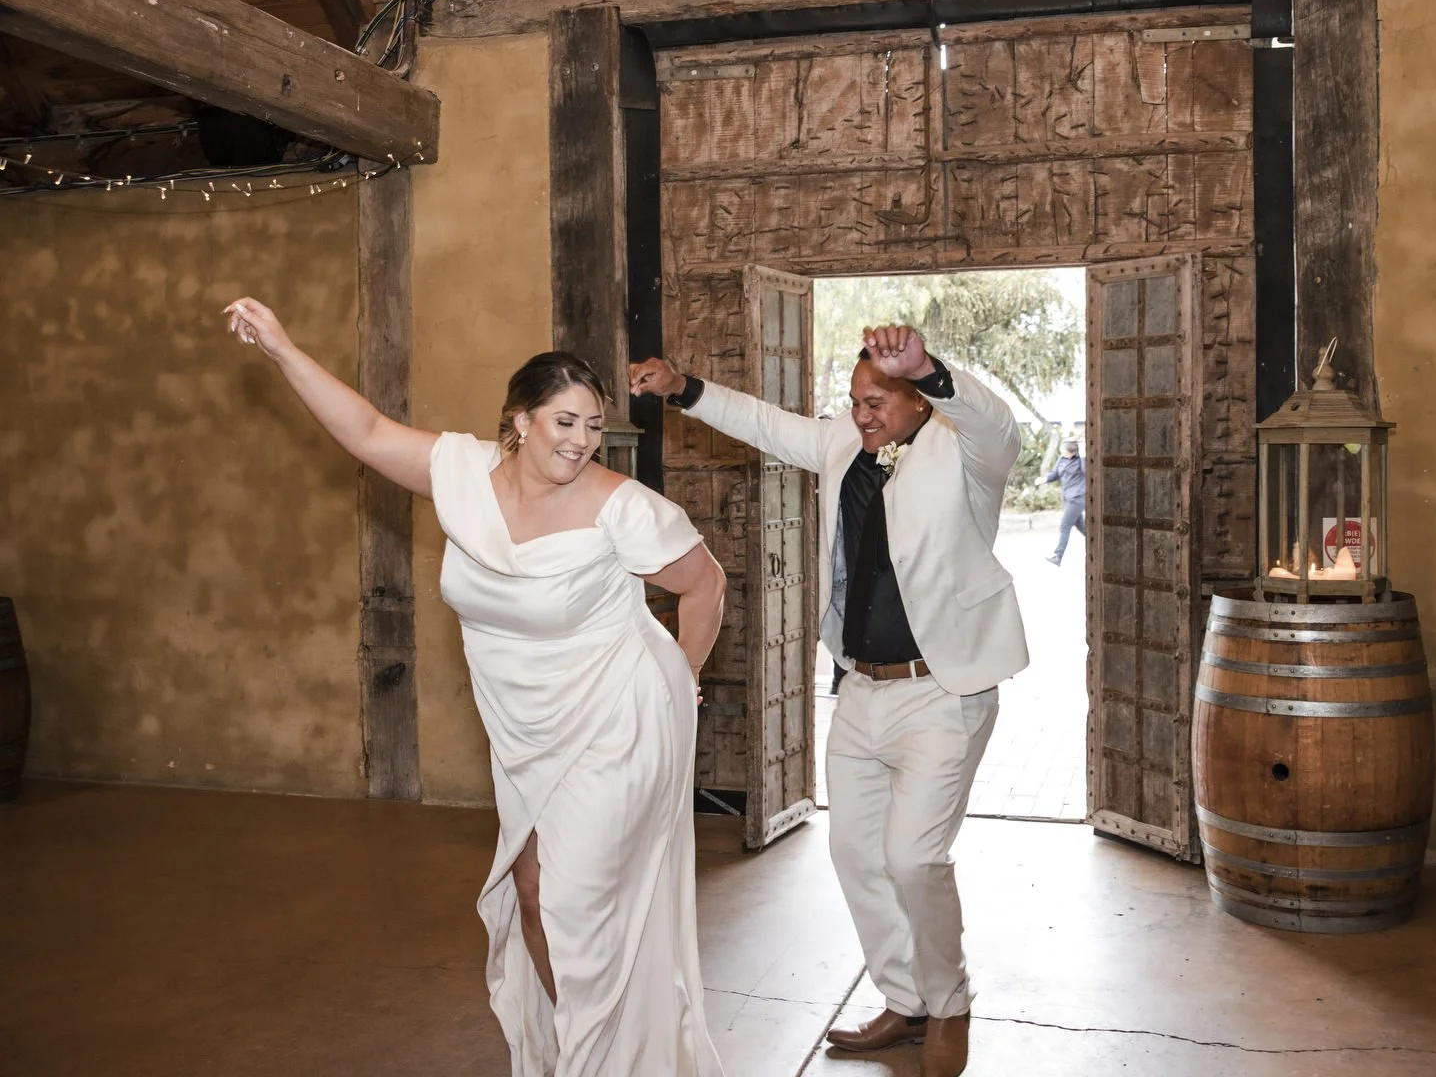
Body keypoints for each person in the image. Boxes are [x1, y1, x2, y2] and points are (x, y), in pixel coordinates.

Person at [221, 298, 727, 1077]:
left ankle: (605, 1065)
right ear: (520, 421)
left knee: (578, 910)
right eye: (566, 421)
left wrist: (683, 681)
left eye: (594, 425)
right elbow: (362, 430)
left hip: (620, 720)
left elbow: (704, 585)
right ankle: (587, 1050)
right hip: (527, 727)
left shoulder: (620, 508)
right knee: (531, 897)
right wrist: (283, 348)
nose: (583, 440)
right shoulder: (459, 474)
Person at [631, 325, 1028, 1077]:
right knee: (853, 852)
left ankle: (950, 1003)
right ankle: (904, 999)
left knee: (913, 857)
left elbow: (994, 422)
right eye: (855, 401)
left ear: (917, 399)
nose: (863, 414)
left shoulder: (968, 454)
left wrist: (935, 369)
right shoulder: (844, 445)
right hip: (860, 688)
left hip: (942, 690)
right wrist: (682, 388)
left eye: (879, 400)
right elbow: (766, 425)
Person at [1037, 437, 1084, 565]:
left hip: (1078, 497)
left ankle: (1058, 556)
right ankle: (1100, 541)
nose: (1062, 452)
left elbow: (1087, 471)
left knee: (1065, 525)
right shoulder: (1061, 459)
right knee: (1080, 524)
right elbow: (1055, 474)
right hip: (1067, 497)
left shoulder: (1080, 460)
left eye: (1064, 450)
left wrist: (1084, 454)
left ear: (1071, 451)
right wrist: (1044, 479)